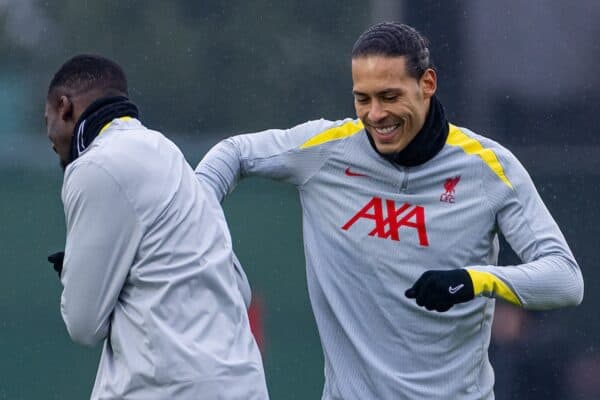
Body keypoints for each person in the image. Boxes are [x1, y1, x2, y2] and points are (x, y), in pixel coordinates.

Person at [195, 22, 584, 399]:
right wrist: (200, 227)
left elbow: (565, 279)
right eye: (363, 98)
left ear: (427, 84)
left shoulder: (488, 167)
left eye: (390, 96)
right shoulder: (325, 150)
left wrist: (473, 281)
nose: (375, 114)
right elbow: (234, 153)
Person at [44, 54, 269, 399]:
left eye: (49, 124)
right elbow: (239, 289)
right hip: (244, 385)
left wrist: (78, 272)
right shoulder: (170, 154)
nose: (52, 140)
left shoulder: (93, 167)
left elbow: (83, 325)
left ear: (64, 107)